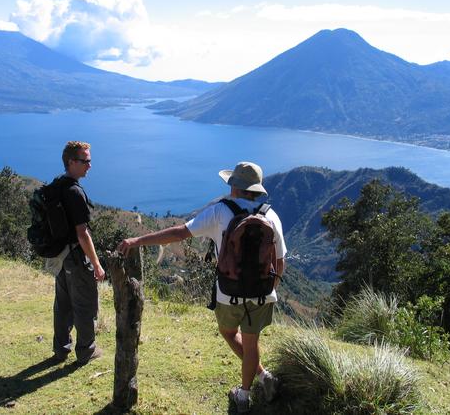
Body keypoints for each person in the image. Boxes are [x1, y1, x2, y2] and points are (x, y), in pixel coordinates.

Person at [117, 161, 286, 412]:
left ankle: (256, 383)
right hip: (263, 294)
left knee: (229, 333)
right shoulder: (270, 215)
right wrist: (268, 287)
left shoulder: (221, 211)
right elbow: (280, 262)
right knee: (252, 343)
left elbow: (178, 233)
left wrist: (138, 240)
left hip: (228, 293)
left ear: (235, 187)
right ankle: (249, 391)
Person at [51, 141, 106, 365]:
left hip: (59, 256)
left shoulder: (56, 185)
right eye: (85, 161)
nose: (89, 166)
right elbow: (82, 234)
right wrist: (97, 264)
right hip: (75, 257)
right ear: (71, 162)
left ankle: (61, 349)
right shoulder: (74, 192)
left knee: (62, 303)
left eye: (89, 160)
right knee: (85, 304)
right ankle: (86, 350)